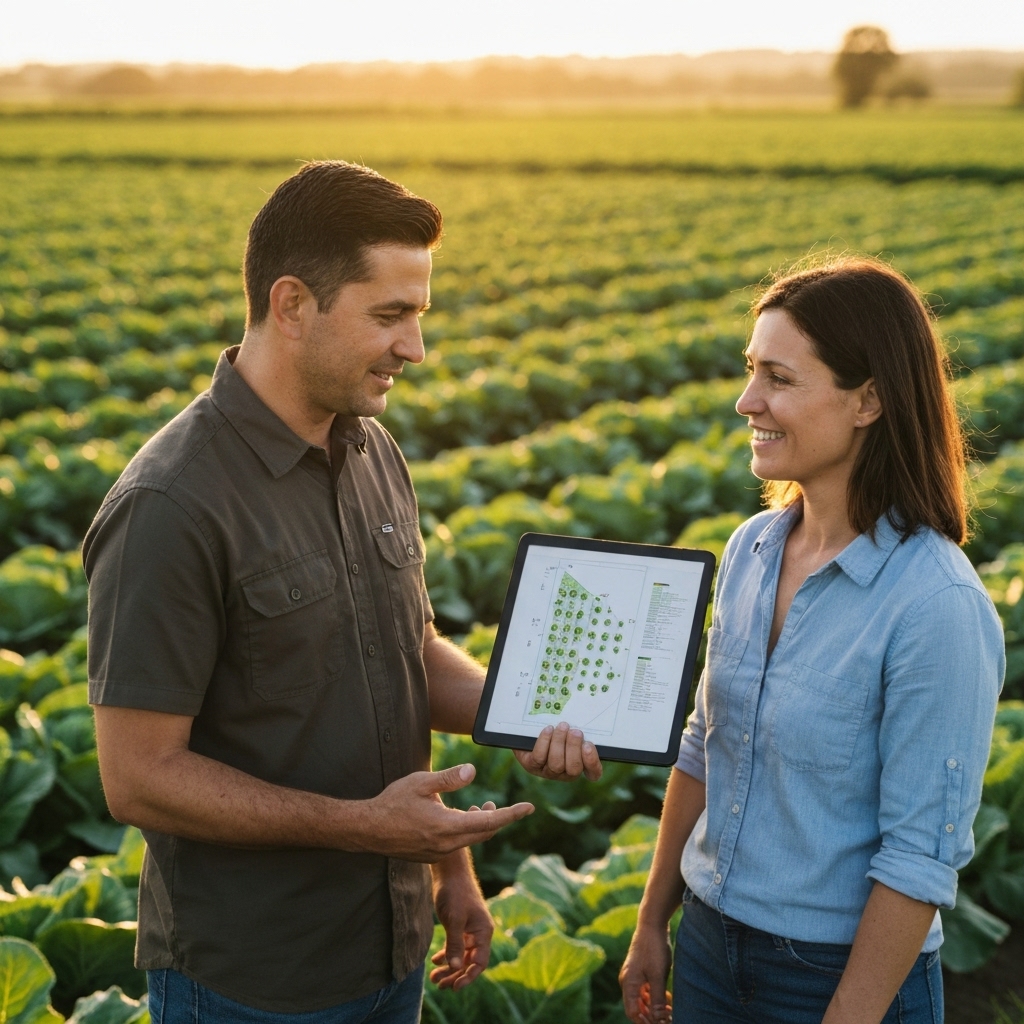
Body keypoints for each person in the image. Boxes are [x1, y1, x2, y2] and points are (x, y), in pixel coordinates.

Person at [84, 160, 602, 1024]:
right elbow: (139, 778)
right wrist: (367, 827)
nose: (415, 348)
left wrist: (522, 722)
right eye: (390, 316)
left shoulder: (370, 448)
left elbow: (404, 652)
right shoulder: (169, 505)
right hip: (255, 979)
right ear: (292, 305)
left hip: (393, 947)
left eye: (419, 317)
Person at [619, 257, 1003, 1024]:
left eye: (779, 379)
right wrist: (652, 920)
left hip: (839, 976)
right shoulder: (752, 549)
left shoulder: (937, 605)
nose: (747, 401)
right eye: (750, 370)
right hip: (708, 947)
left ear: (869, 401)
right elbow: (703, 747)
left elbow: (918, 860)